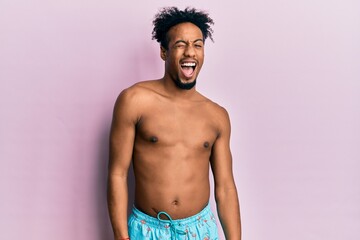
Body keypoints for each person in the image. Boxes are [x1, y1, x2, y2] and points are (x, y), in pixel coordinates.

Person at [107, 7, 241, 240]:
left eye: (198, 45)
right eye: (180, 44)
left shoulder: (217, 115)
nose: (190, 52)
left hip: (201, 231)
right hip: (147, 230)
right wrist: (121, 236)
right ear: (163, 51)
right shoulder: (134, 100)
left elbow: (226, 187)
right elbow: (117, 174)